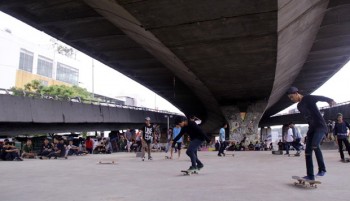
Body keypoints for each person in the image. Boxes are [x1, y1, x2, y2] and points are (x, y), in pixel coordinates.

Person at [287, 86, 336, 181]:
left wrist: (330, 100)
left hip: (320, 127)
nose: (291, 99)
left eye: (292, 97)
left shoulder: (308, 98)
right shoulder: (299, 106)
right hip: (312, 128)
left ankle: (322, 170)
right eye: (290, 98)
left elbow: (320, 97)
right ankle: (310, 175)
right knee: (307, 152)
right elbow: (308, 118)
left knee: (315, 145)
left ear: (297, 93)